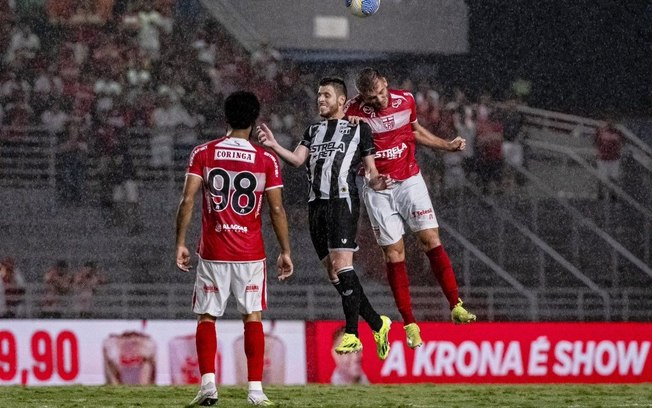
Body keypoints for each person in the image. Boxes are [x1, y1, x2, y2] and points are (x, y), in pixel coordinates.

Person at [257, 77, 391, 359]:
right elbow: (296, 160)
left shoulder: (358, 129)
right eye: (319, 95)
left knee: (343, 267)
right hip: (315, 205)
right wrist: (273, 144)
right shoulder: (313, 130)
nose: (320, 100)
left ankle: (352, 333)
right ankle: (379, 323)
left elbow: (371, 171)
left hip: (342, 201)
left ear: (341, 101)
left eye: (326, 96)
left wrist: (378, 183)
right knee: (333, 272)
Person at [345, 68, 477, 350]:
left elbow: (414, 132)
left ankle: (456, 305)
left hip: (409, 180)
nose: (380, 100)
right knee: (395, 254)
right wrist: (347, 127)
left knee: (430, 239)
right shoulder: (352, 111)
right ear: (362, 96)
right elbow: (337, 142)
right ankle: (410, 324)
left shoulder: (404, 100)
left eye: (382, 92)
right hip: (377, 189)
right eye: (373, 97)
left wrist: (446, 145)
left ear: (385, 84)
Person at [176, 91, 293, 407]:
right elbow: (277, 210)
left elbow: (187, 200)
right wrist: (285, 251)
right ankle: (255, 389)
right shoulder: (266, 159)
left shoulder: (204, 152)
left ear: (225, 118)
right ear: (255, 122)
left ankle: (208, 386)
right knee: (251, 316)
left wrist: (180, 243)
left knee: (207, 317)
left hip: (214, 250)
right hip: (250, 253)